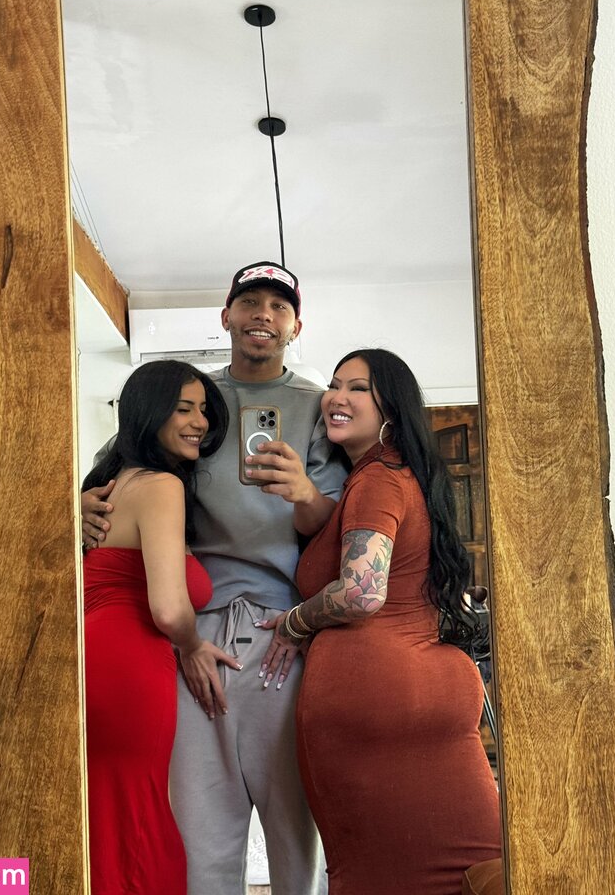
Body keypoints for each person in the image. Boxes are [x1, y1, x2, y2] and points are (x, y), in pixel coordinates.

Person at [82, 262, 347, 895]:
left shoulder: (316, 406)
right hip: (188, 629)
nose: (263, 315)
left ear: (296, 326)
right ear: (226, 316)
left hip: (282, 628)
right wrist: (79, 505)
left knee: (294, 830)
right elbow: (125, 467)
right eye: (250, 302)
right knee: (200, 830)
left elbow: (336, 525)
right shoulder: (193, 396)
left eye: (279, 307)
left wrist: (304, 492)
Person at [259, 349, 502, 895]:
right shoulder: (395, 476)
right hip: (419, 696)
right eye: (335, 384)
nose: (337, 397)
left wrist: (295, 623)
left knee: (388, 875)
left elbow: (361, 592)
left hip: (381, 704)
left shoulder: (379, 480)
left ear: (390, 405)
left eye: (358, 388)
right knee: (471, 872)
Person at [82, 359, 242, 895]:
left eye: (203, 410)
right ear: (149, 414)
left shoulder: (107, 486)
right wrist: (193, 646)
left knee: (107, 816)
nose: (200, 422)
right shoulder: (160, 486)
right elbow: (170, 610)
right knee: (137, 819)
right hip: (130, 667)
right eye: (183, 409)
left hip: (97, 659)